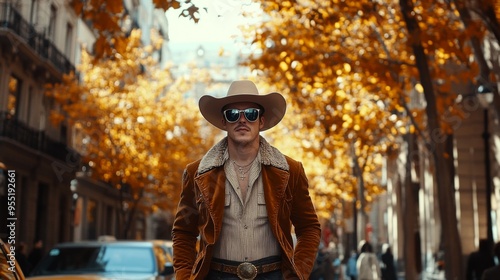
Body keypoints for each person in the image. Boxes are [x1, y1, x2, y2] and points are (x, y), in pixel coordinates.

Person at [172, 80, 321, 279]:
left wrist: (299, 273)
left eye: (251, 113)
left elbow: (309, 227)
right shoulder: (197, 174)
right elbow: (183, 233)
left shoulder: (289, 171)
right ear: (224, 122)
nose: (242, 120)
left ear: (261, 121)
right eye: (233, 114)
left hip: (273, 275)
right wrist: (185, 277)